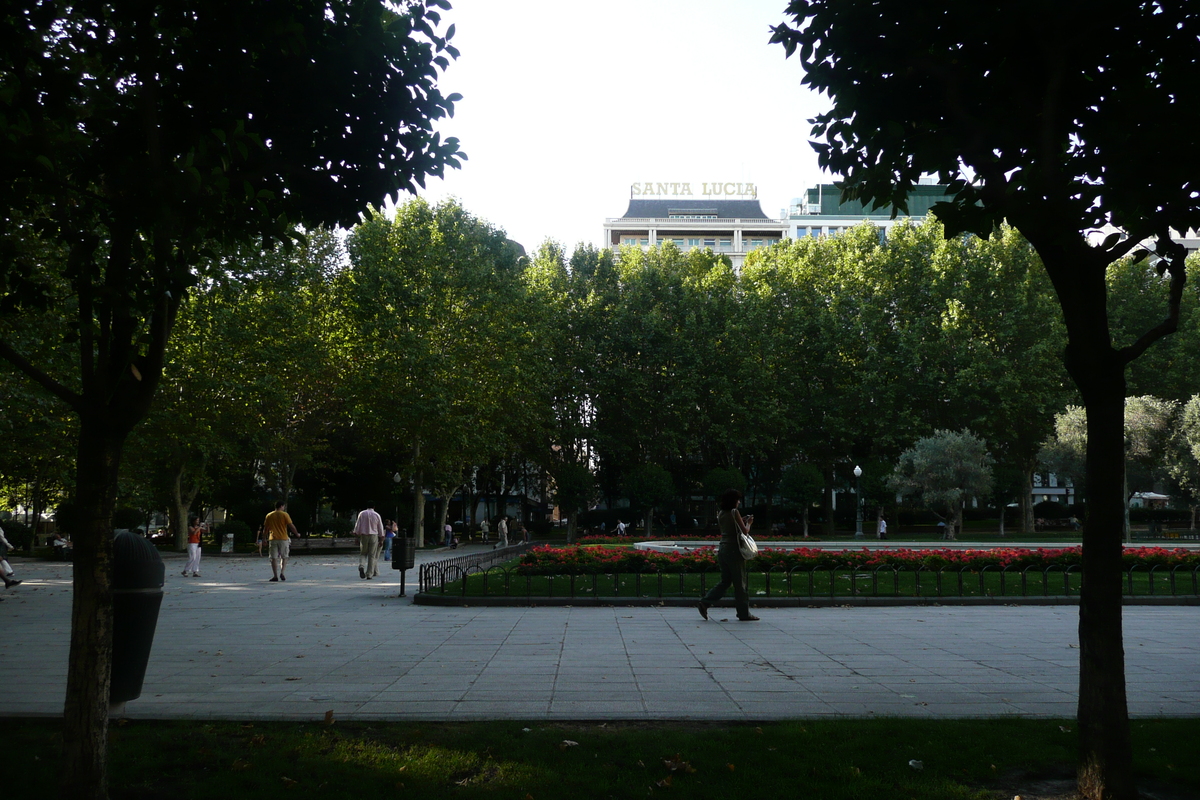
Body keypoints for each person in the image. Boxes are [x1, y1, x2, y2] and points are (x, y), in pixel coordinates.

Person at [698, 488, 758, 622]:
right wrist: (748, 523)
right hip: (734, 549)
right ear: (733, 501)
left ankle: (706, 602)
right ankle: (743, 613)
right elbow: (745, 532)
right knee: (740, 583)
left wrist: (741, 520)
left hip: (723, 548)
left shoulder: (721, 513)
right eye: (737, 500)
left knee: (726, 580)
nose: (738, 502)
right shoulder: (734, 512)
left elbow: (730, 526)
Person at [263, 501, 298, 582]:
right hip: (283, 538)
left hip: (273, 538)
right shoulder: (285, 514)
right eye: (283, 506)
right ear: (281, 506)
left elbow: (266, 528)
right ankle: (282, 572)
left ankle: (275, 576)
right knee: (284, 556)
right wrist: (296, 533)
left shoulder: (269, 515)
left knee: (273, 558)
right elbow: (291, 525)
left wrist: (264, 538)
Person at [353, 503, 384, 580]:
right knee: (372, 555)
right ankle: (369, 574)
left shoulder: (362, 514)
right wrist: (381, 539)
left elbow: (357, 526)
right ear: (374, 506)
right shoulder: (377, 515)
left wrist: (356, 536)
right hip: (374, 535)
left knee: (363, 553)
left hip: (364, 535)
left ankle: (361, 566)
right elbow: (380, 527)